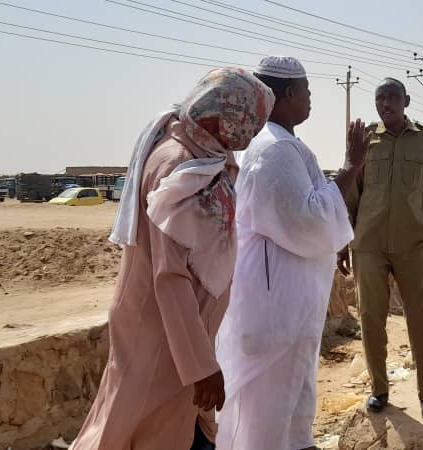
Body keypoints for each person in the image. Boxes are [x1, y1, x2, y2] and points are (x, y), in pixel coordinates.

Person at [70, 68, 274, 450]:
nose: (253, 133)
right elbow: (170, 275)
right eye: (251, 121)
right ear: (228, 116)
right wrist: (202, 367)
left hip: (182, 332)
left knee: (151, 422)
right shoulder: (179, 164)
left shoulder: (206, 153)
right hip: (162, 331)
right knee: (142, 426)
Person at [214, 56, 370, 450]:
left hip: (286, 307)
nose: (311, 98)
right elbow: (308, 221)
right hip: (274, 312)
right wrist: (351, 167)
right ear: (287, 95)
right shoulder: (273, 151)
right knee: (268, 420)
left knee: (290, 412)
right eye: (306, 91)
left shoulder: (282, 145)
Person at [339, 77, 423, 422]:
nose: (386, 104)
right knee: (371, 318)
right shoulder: (365, 140)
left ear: (406, 100)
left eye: (392, 97)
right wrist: (344, 238)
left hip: (413, 244)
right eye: (380, 98)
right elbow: (352, 192)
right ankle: (379, 390)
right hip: (368, 244)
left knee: (421, 320)